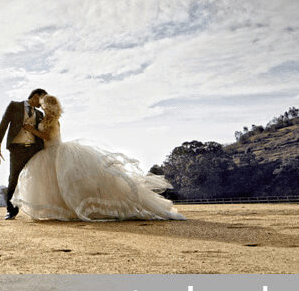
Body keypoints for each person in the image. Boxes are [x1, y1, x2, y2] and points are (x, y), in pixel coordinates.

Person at [11, 94, 186, 221]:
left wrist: (31, 129)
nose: (41, 106)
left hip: (56, 152)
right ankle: (63, 210)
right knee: (54, 185)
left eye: (43, 104)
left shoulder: (53, 120)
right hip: (50, 154)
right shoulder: (49, 118)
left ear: (47, 106)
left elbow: (48, 137)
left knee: (61, 182)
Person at [0, 88, 47, 220]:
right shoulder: (14, 106)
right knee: (14, 178)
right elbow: (4, 124)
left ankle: (38, 208)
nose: (43, 103)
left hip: (34, 150)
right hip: (17, 149)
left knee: (37, 179)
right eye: (42, 99)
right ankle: (11, 210)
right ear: (35, 97)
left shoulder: (40, 114)